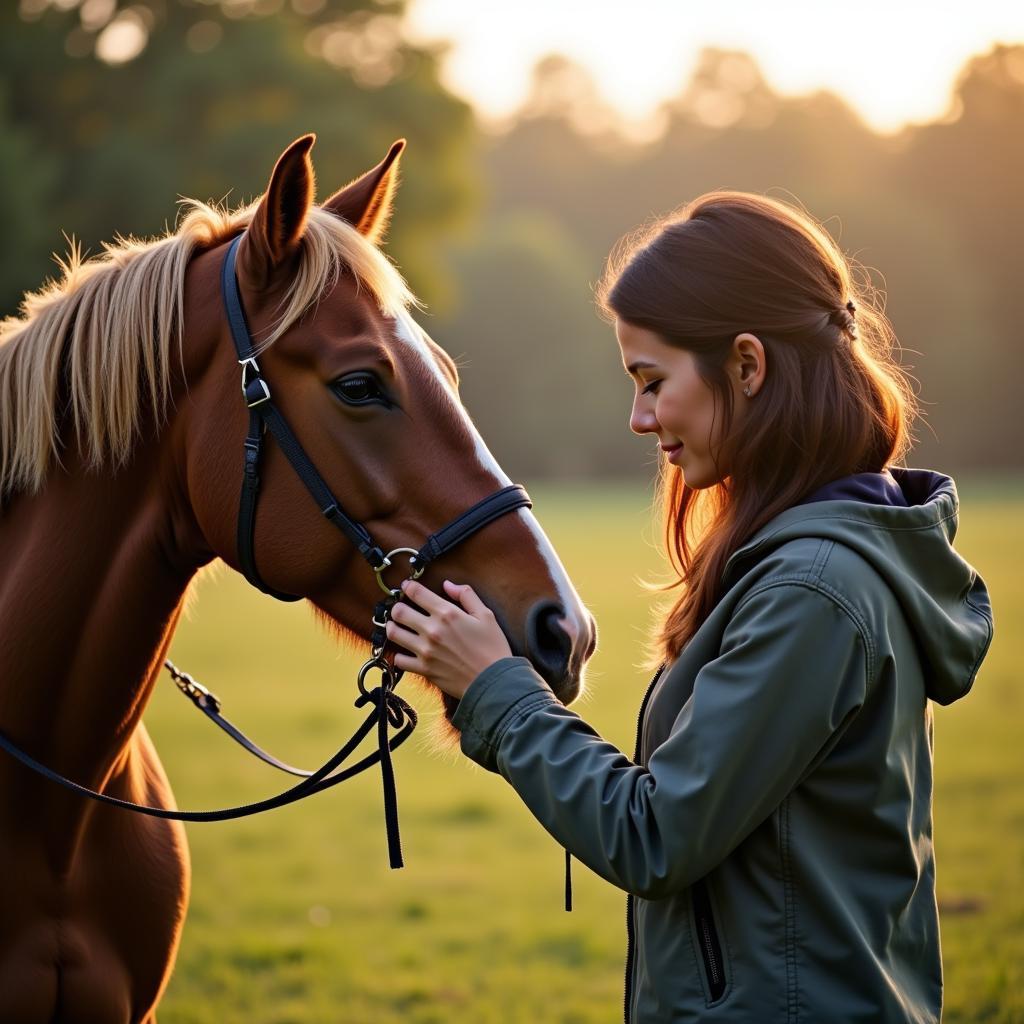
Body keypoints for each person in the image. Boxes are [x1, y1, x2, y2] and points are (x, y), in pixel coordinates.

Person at [383, 190, 995, 1023]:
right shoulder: (818, 562)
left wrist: (495, 686)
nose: (638, 418)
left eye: (652, 381)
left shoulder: (811, 592)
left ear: (747, 365)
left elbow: (656, 834)